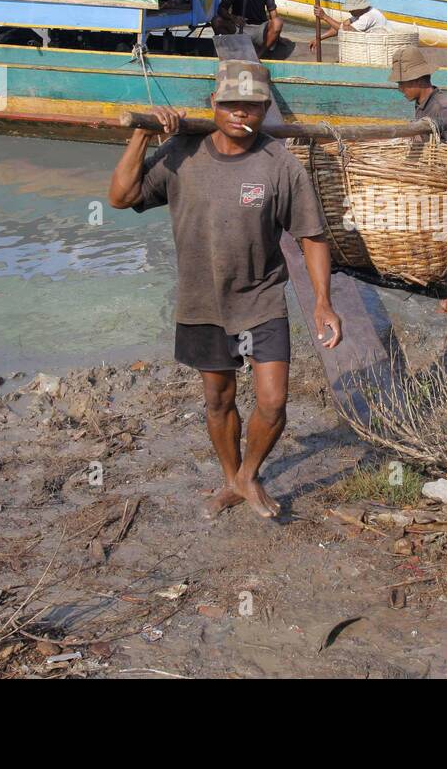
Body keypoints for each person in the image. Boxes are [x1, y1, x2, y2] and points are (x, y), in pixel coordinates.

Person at [107, 60, 342, 519]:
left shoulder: (279, 165)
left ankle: (249, 474)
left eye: (252, 106)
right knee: (218, 399)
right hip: (201, 302)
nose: (241, 114)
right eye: (231, 104)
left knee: (273, 402)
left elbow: (312, 236)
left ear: (265, 108)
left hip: (260, 299)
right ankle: (231, 479)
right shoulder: (181, 153)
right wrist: (142, 135)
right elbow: (120, 197)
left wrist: (322, 302)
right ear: (212, 103)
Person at [388, 45, 447, 150]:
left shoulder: (443, 109)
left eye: (402, 83)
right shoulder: (421, 102)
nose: (400, 88)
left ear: (418, 79)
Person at [310, 0, 387, 53]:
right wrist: (319, 38)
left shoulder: (368, 16)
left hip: (379, 49)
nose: (349, 11)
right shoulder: (360, 14)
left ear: (360, 7)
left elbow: (345, 30)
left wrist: (325, 17)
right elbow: (339, 27)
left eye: (351, 9)